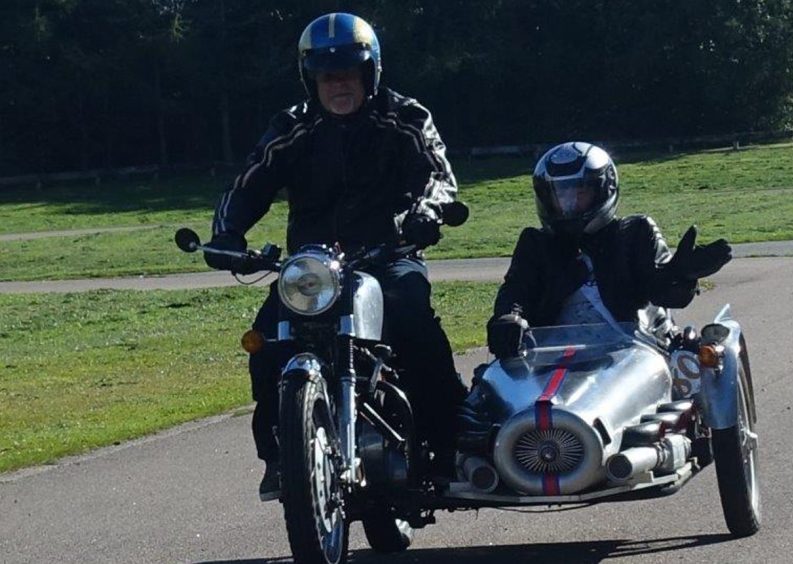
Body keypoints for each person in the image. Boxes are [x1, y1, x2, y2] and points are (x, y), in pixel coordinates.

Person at [204, 12, 467, 501]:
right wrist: (227, 234)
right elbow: (249, 181)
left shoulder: (404, 117)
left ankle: (451, 443)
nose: (339, 84)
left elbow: (438, 174)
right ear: (312, 79)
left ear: (370, 73)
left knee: (415, 320)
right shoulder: (292, 127)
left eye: (348, 72)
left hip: (388, 254)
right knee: (267, 344)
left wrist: (427, 212)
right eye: (328, 75)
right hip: (312, 269)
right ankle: (281, 457)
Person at [485, 141, 733, 358]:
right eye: (560, 196)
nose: (569, 204)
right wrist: (508, 318)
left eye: (579, 193)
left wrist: (682, 274)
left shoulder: (635, 232)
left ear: (604, 190)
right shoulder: (535, 243)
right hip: (550, 358)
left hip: (631, 352)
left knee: (699, 369)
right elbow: (515, 290)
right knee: (486, 396)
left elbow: (661, 292)